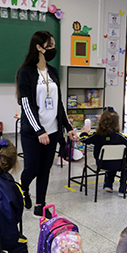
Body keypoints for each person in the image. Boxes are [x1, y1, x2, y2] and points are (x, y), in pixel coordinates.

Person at [16, 30, 78, 217]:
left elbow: (58, 102)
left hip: (52, 131)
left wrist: (68, 127)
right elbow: (26, 103)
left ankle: (40, 205)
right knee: (32, 169)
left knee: (45, 170)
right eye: (49, 45)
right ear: (39, 47)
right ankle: (23, 188)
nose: (53, 48)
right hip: (33, 132)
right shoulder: (25, 72)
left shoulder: (52, 71)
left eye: (53, 44)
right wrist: (39, 130)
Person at [78, 108, 127, 196]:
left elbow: (83, 139)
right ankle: (123, 190)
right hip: (118, 164)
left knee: (109, 163)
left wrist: (84, 132)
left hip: (101, 164)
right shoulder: (119, 136)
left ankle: (108, 185)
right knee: (126, 167)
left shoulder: (97, 135)